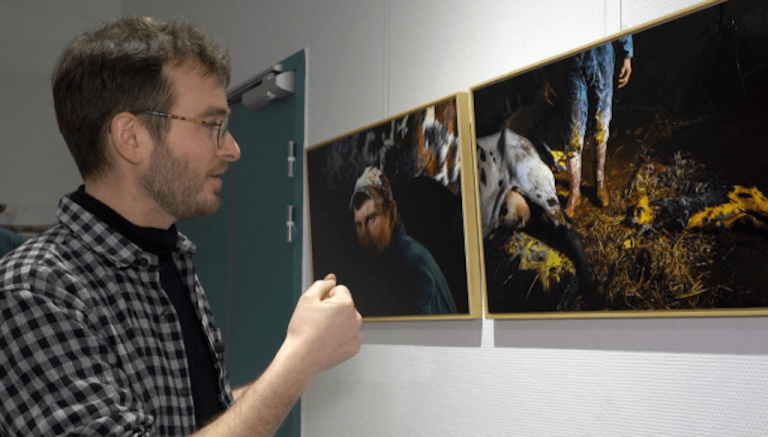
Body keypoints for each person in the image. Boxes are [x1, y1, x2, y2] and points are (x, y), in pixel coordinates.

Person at [0, 16, 361, 437]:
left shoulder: (170, 261)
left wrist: (303, 354)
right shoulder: (33, 291)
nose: (232, 148)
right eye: (212, 125)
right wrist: (299, 361)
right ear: (131, 137)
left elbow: (193, 424)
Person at [350, 167, 457, 316]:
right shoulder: (389, 260)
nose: (365, 237)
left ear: (392, 214)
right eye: (358, 225)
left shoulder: (412, 265)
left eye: (371, 219)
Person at [562, 35, 633, 218]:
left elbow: (618, 9)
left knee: (601, 122)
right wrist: (544, 72)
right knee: (573, 130)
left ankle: (599, 182)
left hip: (601, 54)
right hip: (572, 58)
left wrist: (627, 54)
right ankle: (575, 192)